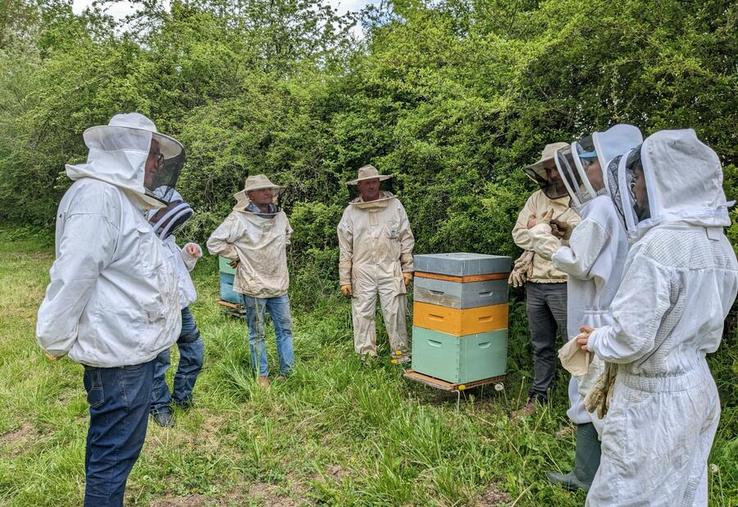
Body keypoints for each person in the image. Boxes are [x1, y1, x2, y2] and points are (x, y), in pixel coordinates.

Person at [575, 129, 738, 505]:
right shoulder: (717, 242)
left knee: (623, 494)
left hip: (653, 396)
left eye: (641, 176)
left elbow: (631, 339)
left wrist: (596, 339)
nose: (635, 185)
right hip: (697, 384)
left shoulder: (659, 245)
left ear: (667, 176)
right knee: (684, 489)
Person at [36, 112, 184, 506]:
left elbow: (133, 270)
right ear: (131, 153)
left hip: (131, 350)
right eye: (153, 154)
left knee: (117, 452)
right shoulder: (98, 197)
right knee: (113, 456)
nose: (157, 164)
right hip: (118, 358)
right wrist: (54, 336)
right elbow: (74, 271)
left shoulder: (118, 199)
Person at [525, 125, 643, 490]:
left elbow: (578, 262)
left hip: (595, 312)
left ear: (604, 167)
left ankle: (586, 476)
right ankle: (599, 473)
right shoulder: (620, 206)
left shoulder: (603, 207)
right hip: (609, 309)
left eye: (590, 164)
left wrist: (543, 240)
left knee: (588, 391)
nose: (585, 171)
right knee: (602, 392)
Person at [511, 143, 580, 416]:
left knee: (574, 345)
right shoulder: (535, 199)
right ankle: (538, 398)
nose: (552, 174)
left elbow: (585, 242)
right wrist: (548, 233)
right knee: (541, 346)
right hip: (536, 282)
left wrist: (537, 230)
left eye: (556, 168)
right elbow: (518, 234)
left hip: (566, 282)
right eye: (548, 169)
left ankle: (579, 407)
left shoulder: (584, 199)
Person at [207, 174, 294, 386]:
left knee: (285, 329)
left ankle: (288, 372)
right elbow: (214, 243)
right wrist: (237, 255)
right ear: (249, 195)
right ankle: (261, 375)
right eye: (263, 189)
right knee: (258, 332)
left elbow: (287, 236)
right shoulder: (238, 219)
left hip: (278, 282)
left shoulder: (280, 216)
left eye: (270, 189)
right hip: (253, 284)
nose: (268, 193)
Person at [337, 164, 414, 362]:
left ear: (379, 182)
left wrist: (408, 268)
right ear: (359, 186)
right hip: (362, 271)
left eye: (373, 182)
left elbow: (406, 237)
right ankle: (366, 357)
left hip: (391, 267)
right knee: (363, 314)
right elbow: (345, 249)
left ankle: (400, 355)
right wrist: (344, 279)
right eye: (366, 183)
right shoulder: (351, 212)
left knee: (395, 312)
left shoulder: (395, 206)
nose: (371, 186)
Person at [146, 190, 205, 427]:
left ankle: (182, 397)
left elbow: (179, 273)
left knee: (195, 352)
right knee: (159, 362)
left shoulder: (167, 240)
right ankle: (159, 406)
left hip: (181, 309)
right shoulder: (142, 240)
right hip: (157, 311)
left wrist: (188, 254)